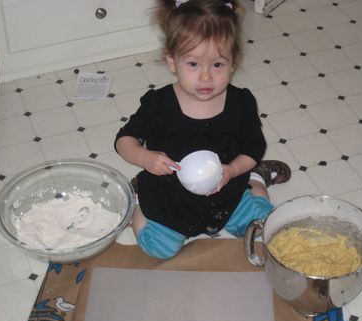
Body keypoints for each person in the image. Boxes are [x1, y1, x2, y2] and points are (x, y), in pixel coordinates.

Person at [114, 0, 291, 259]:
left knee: (262, 224)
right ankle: (139, 198)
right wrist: (144, 158)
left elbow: (254, 146)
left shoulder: (241, 102)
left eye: (218, 65)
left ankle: (256, 179)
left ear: (233, 63)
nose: (206, 77)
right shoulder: (159, 104)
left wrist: (233, 170)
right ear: (172, 62)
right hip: (170, 197)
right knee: (158, 249)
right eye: (193, 64)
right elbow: (124, 140)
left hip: (227, 194)